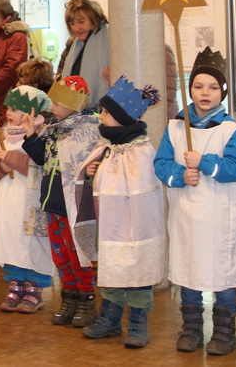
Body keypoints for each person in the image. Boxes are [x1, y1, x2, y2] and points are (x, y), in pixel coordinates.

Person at [154, 47, 236, 356]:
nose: (204, 92)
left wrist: (204, 162)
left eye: (212, 87)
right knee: (189, 271)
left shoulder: (232, 131)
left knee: (222, 274)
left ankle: (224, 329)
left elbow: (235, 170)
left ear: (222, 91)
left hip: (220, 219)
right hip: (187, 218)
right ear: (189, 89)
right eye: (197, 86)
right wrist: (181, 175)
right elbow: (161, 165)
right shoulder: (174, 128)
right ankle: (191, 326)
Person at [80, 77, 165, 348]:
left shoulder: (141, 150)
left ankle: (138, 321)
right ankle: (111, 318)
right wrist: (91, 173)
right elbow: (96, 185)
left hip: (136, 225)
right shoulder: (104, 148)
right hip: (110, 225)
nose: (100, 116)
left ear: (120, 116)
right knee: (111, 265)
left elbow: (146, 192)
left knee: (137, 267)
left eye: (105, 112)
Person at [21, 76, 101, 326]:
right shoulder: (55, 129)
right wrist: (30, 135)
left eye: (57, 102)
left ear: (72, 104)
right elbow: (43, 159)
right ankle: (69, 298)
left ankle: (86, 301)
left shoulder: (88, 131)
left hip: (73, 206)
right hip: (52, 203)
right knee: (61, 255)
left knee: (79, 254)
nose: (52, 106)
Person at [0, 86, 55, 314]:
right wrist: (2, 165)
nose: (8, 113)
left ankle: (34, 287)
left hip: (30, 200)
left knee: (31, 243)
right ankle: (15, 284)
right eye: (7, 108)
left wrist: (12, 158)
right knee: (11, 240)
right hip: (8, 200)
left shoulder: (43, 135)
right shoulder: (4, 135)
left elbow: (38, 165)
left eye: (14, 109)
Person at [56, 0, 109, 110]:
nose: (76, 28)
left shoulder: (110, 41)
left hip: (100, 110)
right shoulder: (73, 45)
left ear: (94, 20)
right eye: (72, 23)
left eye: (81, 22)